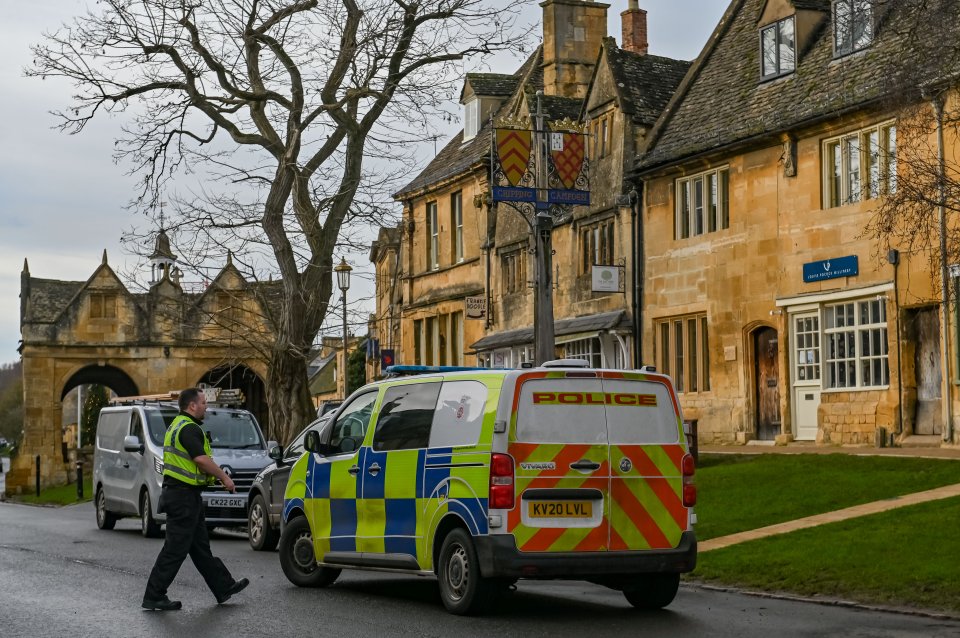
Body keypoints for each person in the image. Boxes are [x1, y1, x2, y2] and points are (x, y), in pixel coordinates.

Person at [142, 388, 249, 611]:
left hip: (185, 495)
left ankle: (224, 586)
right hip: (182, 497)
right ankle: (154, 594)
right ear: (192, 406)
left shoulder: (177, 425)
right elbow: (200, 459)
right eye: (203, 402)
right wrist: (224, 477)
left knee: (200, 548)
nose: (206, 406)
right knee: (175, 549)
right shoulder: (189, 428)